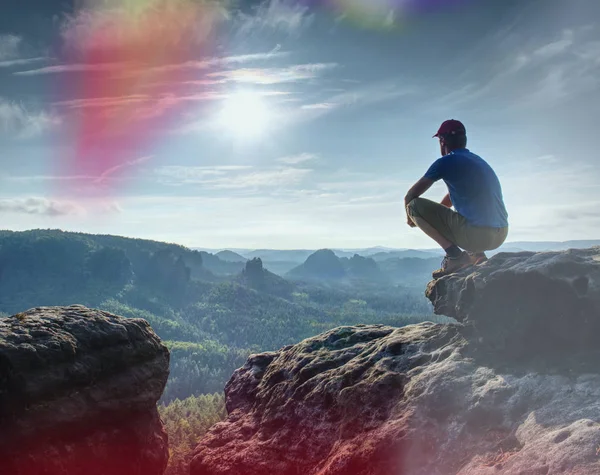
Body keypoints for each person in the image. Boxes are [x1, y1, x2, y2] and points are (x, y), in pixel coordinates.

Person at [404, 119, 509, 278]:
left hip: (477, 236)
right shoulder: (478, 161)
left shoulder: (445, 162)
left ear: (442, 141)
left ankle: (455, 257)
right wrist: (437, 217)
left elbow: (410, 196)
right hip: (501, 234)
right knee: (471, 214)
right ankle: (477, 255)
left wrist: (411, 218)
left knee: (413, 206)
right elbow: (453, 197)